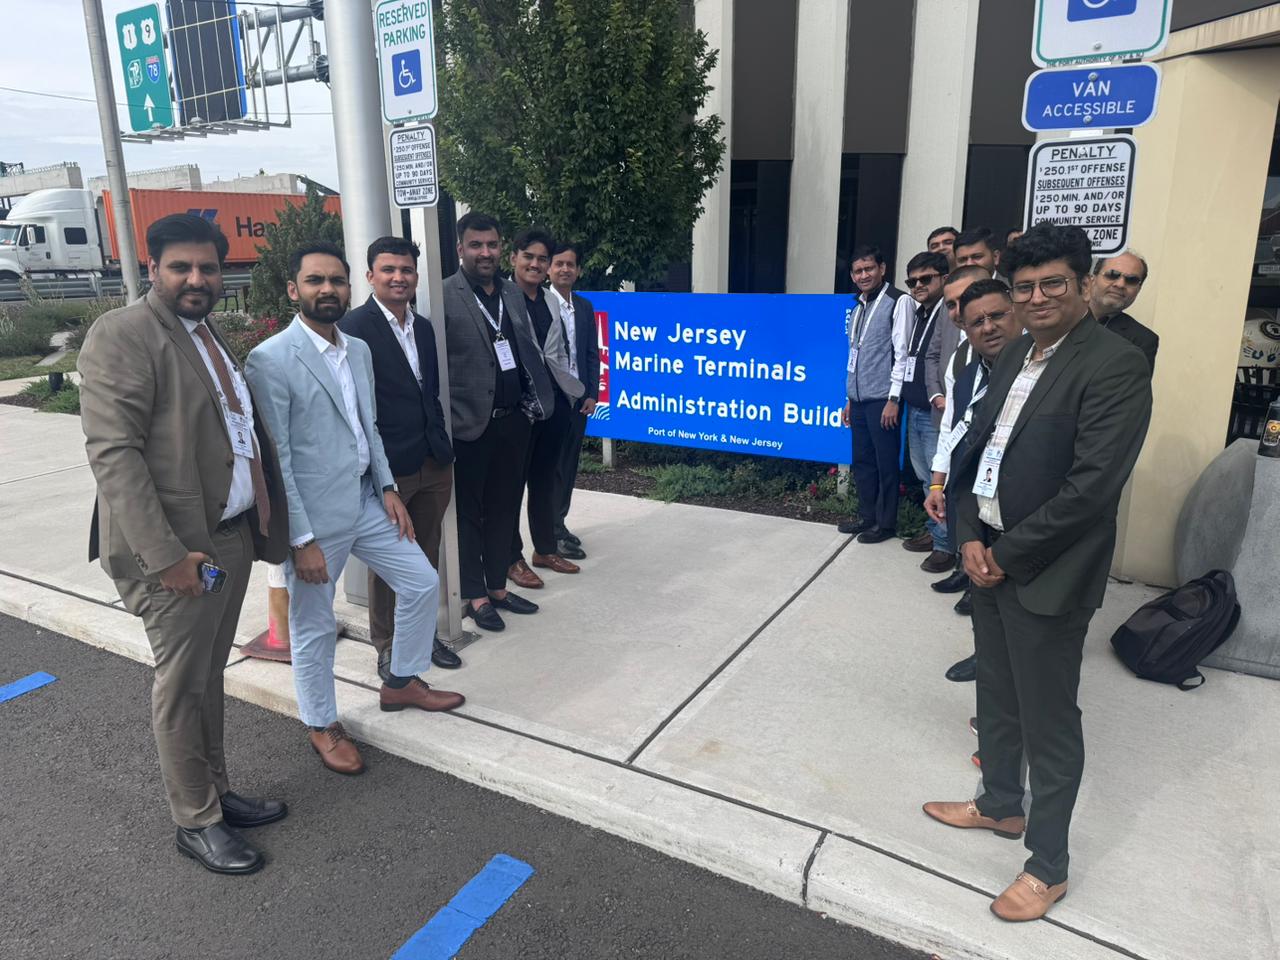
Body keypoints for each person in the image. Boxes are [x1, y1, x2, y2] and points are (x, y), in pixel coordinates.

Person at [923, 223, 1152, 922]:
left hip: (1047, 571)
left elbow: (1091, 489)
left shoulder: (1115, 365)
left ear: (1083, 284)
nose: (1037, 297)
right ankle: (1000, 803)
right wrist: (968, 536)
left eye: (1053, 283)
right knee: (996, 691)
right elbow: (976, 447)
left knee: (1049, 721)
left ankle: (1048, 866)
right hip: (986, 553)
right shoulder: (1016, 351)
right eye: (1024, 287)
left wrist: (1006, 555)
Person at [78, 213, 290, 875]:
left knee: (207, 677)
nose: (196, 279)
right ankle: (195, 820)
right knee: (181, 685)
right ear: (154, 269)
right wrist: (167, 557)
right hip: (179, 553)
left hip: (227, 537)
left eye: (208, 268)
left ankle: (217, 791)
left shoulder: (204, 331)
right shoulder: (124, 333)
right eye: (181, 267)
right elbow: (114, 455)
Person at [246, 243, 464, 778]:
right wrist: (300, 540)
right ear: (293, 290)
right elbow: (278, 460)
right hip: (315, 520)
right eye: (315, 281)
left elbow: (369, 428)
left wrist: (387, 487)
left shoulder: (358, 350)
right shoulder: (271, 359)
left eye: (336, 281)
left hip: (366, 500)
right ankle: (321, 722)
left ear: (350, 287)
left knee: (420, 581)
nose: (328, 289)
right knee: (315, 626)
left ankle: (400, 681)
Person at [338, 236, 461, 676]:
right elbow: (355, 407)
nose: (398, 277)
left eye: (406, 270)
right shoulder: (352, 329)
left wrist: (440, 442)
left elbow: (428, 393)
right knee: (389, 561)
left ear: (416, 277)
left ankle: (422, 637)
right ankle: (388, 645)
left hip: (433, 461)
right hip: (389, 469)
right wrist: (378, 475)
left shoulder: (423, 327)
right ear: (370, 276)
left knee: (426, 554)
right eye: (388, 270)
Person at [443, 213, 554, 632]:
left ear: (500, 248)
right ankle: (475, 595)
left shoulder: (511, 292)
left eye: (491, 244)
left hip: (514, 422)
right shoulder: (444, 295)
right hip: (469, 425)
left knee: (505, 509)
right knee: (469, 515)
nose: (485, 252)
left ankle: (498, 588)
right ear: (461, 249)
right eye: (476, 245)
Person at [925, 278, 1024, 685]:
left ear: (1016, 312)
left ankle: (1013, 671)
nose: (988, 326)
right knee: (984, 595)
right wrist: (937, 484)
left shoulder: (1039, 373)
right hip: (977, 499)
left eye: (997, 315)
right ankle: (986, 656)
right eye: (976, 321)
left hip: (1023, 507)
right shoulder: (967, 374)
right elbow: (953, 428)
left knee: (1021, 607)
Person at [507, 228, 586, 582]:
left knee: (544, 482)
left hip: (552, 405)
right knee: (511, 488)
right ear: (514, 258)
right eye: (529, 257)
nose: (536, 264)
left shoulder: (551, 301)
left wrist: (570, 393)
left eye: (542, 259)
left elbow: (556, 353)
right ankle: (511, 558)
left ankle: (545, 549)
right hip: (517, 408)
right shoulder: (502, 298)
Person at [839, 244, 907, 543]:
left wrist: (894, 399)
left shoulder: (898, 302)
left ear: (882, 268)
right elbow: (854, 354)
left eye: (869, 269)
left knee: (885, 463)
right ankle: (867, 517)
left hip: (883, 399)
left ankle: (885, 524)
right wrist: (849, 399)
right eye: (858, 271)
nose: (864, 275)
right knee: (862, 461)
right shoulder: (858, 307)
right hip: (859, 399)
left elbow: (902, 354)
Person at [893, 251, 953, 573]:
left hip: (935, 411)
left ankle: (945, 546)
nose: (918, 285)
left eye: (925, 278)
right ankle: (934, 532)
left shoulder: (948, 312)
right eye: (912, 280)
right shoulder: (919, 312)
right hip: (915, 409)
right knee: (923, 476)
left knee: (938, 479)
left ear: (944, 278)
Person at [548, 241, 601, 559]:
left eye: (570, 264)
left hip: (579, 401)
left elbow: (592, 353)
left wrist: (592, 393)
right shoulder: (540, 304)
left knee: (568, 467)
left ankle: (559, 523)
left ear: (578, 270)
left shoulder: (583, 306)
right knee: (551, 469)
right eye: (559, 264)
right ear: (549, 269)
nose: (565, 269)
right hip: (553, 402)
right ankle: (550, 533)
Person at [1088, 251, 1159, 372]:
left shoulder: (1142, 340)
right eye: (1112, 275)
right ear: (1092, 279)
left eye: (1131, 280)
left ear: (1139, 289)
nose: (1120, 284)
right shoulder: (1060, 317)